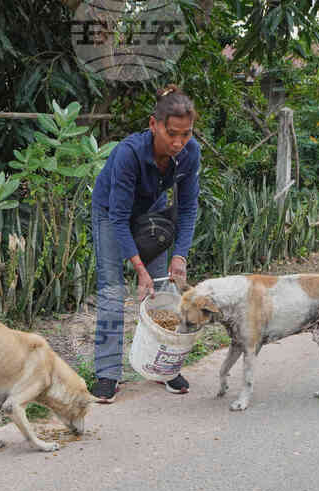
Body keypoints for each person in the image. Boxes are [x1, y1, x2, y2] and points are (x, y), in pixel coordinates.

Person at [89, 85, 201, 403]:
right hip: (111, 212)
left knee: (162, 292)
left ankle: (162, 369)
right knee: (112, 289)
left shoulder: (190, 154)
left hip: (152, 210)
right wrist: (139, 268)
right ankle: (107, 374)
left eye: (186, 134)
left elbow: (189, 207)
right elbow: (120, 217)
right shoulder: (128, 153)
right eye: (172, 134)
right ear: (154, 125)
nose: (179, 143)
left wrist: (179, 255)